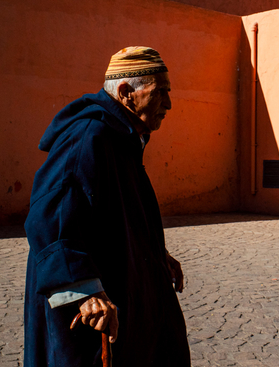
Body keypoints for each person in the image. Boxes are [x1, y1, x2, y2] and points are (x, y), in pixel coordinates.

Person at [24, 46, 191, 366]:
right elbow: (52, 215)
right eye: (161, 93)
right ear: (127, 92)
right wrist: (83, 290)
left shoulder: (123, 138)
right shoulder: (89, 135)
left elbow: (115, 213)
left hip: (124, 282)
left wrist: (156, 254)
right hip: (93, 304)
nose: (168, 104)